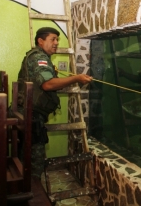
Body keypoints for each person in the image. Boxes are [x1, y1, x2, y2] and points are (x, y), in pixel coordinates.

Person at [17, 27, 93, 179]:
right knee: (34, 161)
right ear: (40, 40)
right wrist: (77, 78)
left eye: (57, 40)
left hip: (28, 113)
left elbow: (47, 81)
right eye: (53, 39)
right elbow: (48, 84)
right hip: (31, 115)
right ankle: (32, 194)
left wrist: (54, 74)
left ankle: (25, 189)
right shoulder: (39, 57)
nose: (56, 43)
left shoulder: (40, 58)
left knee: (25, 156)